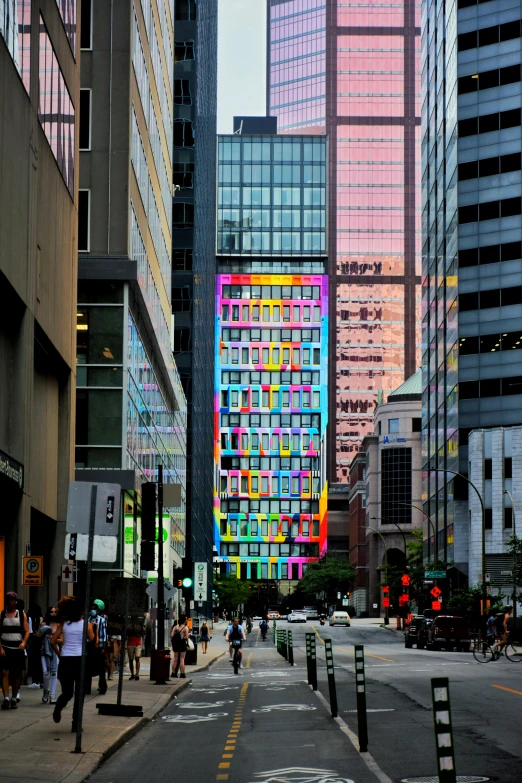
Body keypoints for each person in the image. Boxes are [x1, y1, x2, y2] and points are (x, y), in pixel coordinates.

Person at [51, 596, 94, 732]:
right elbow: (94, 642)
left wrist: (60, 654)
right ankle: (76, 724)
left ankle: (59, 705)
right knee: (79, 694)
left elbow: (52, 641)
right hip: (80, 660)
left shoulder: (64, 624)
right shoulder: (86, 624)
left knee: (67, 692)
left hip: (66, 660)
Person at [0, 591, 29, 709]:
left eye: (12, 599)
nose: (10, 601)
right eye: (8, 599)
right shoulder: (2, 615)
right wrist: (0, 647)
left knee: (16, 674)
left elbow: (27, 631)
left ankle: (14, 697)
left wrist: (24, 642)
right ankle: (6, 698)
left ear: (15, 601)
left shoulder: (21, 615)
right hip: (5, 647)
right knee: (4, 672)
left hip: (17, 647)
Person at [40, 607, 60, 704]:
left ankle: (53, 695)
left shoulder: (59, 625)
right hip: (45, 650)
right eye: (51, 611)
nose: (53, 613)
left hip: (55, 649)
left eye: (55, 612)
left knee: (54, 673)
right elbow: (39, 637)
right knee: (45, 672)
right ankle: (45, 691)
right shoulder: (44, 624)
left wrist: (53, 639)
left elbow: (62, 640)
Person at [89, 599, 108, 695]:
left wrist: (104, 648)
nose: (93, 610)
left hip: (99, 646)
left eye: (95, 608)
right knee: (88, 668)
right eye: (92, 608)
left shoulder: (102, 620)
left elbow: (104, 635)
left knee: (101, 669)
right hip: (89, 647)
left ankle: (102, 687)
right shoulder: (87, 620)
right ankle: (86, 688)